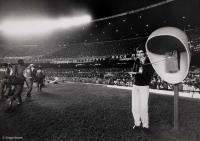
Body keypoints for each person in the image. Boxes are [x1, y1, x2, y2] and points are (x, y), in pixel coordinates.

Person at [131, 47, 154, 133]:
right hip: (135, 85)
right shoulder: (136, 61)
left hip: (144, 86)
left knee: (143, 107)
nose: (139, 54)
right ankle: (137, 124)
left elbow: (150, 73)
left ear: (144, 53)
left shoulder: (149, 61)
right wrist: (133, 74)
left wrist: (143, 69)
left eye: (141, 52)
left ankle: (145, 126)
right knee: (135, 106)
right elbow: (134, 71)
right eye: (138, 53)